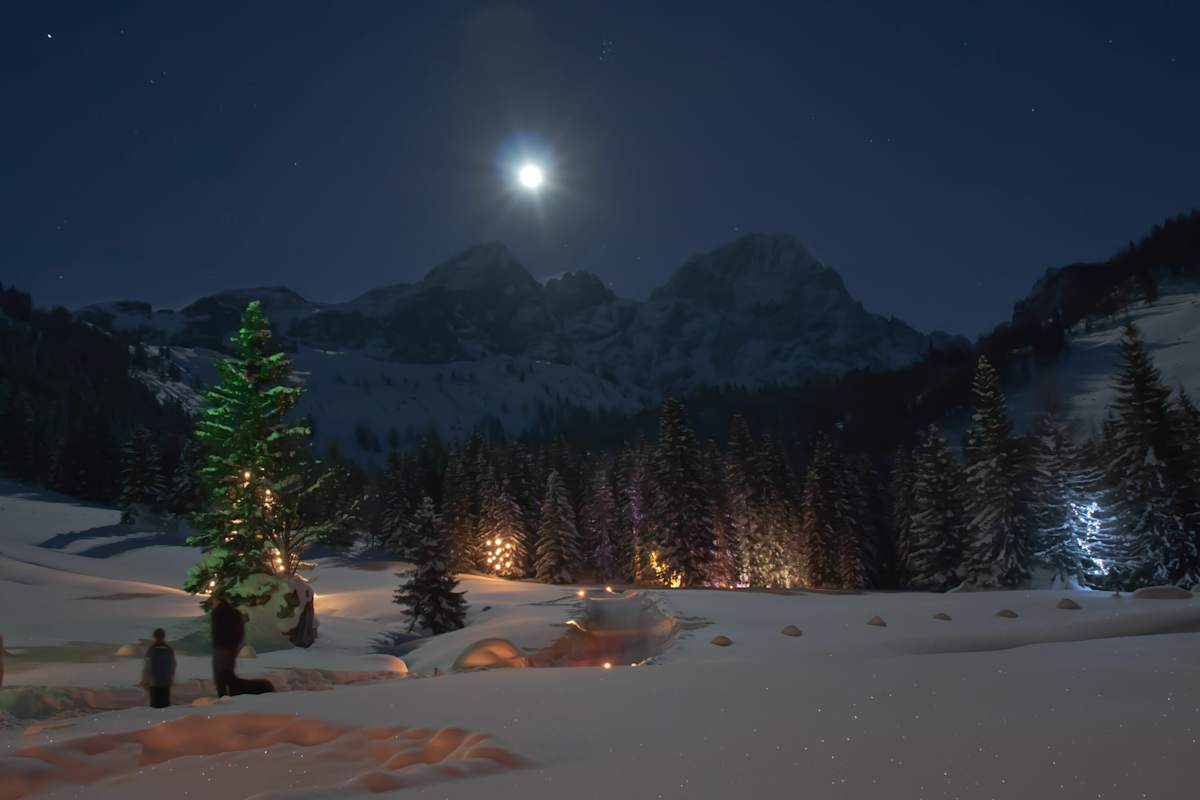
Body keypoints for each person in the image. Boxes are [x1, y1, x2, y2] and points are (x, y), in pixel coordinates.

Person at [210, 591, 244, 698]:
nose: (212, 603)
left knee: (220, 674)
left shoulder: (217, 613)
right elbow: (240, 632)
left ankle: (222, 697)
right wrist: (235, 645)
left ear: (218, 601)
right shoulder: (235, 613)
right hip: (232, 648)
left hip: (221, 647)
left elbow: (217, 632)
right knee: (229, 672)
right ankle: (233, 695)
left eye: (213, 601)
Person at [141, 628, 176, 709]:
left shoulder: (152, 650)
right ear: (164, 637)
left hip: (155, 683)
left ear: (155, 637)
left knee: (155, 707)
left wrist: (145, 680)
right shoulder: (169, 650)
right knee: (165, 707)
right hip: (165, 682)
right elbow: (173, 666)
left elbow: (147, 667)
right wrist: (171, 678)